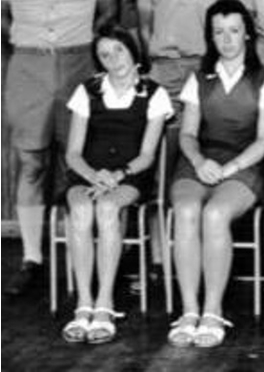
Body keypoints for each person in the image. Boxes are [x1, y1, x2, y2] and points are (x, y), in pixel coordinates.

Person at [3, 0, 121, 296]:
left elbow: (110, 9)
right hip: (28, 65)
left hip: (80, 64)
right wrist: (26, 35)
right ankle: (33, 258)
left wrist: (82, 40)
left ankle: (84, 257)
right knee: (32, 163)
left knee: (80, 162)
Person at [167, 0, 264, 348]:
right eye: (219, 31)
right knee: (187, 211)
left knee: (215, 214)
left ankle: (213, 310)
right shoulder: (199, 78)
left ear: (247, 33)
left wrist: (230, 168)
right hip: (200, 159)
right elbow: (187, 134)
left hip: (244, 164)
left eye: (234, 30)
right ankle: (189, 311)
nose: (227, 38)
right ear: (210, 36)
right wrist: (200, 161)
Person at [58, 26, 172, 344]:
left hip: (129, 175)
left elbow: (148, 155)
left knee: (107, 208)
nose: (113, 59)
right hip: (87, 174)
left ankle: (105, 303)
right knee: (81, 210)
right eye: (105, 54)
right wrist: (94, 175)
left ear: (133, 50)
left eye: (118, 50)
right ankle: (84, 303)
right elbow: (73, 153)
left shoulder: (154, 93)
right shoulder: (87, 90)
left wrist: (117, 175)